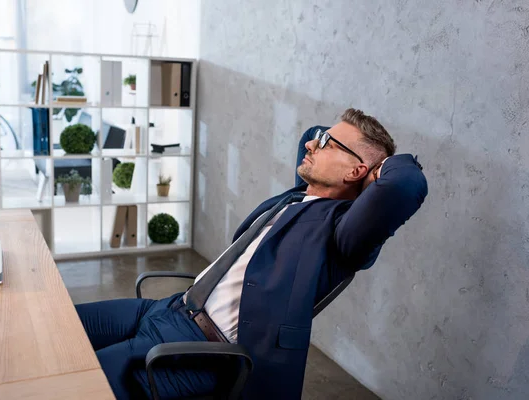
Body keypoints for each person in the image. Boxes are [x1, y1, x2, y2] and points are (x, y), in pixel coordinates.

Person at [76, 108, 428, 399]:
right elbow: (312, 130)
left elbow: (403, 185)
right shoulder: (297, 196)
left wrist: (382, 167)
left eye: (325, 144)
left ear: (356, 171)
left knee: (68, 384)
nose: (310, 143)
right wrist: (337, 147)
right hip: (167, 308)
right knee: (63, 324)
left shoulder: (342, 235)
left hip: (196, 350)